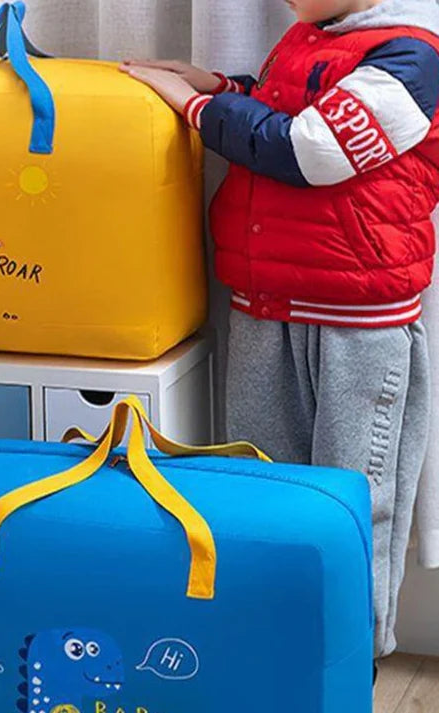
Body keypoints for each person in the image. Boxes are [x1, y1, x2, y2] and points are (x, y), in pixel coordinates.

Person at [121, 0, 439, 662]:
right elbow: (290, 110)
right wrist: (221, 86)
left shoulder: (411, 57)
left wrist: (196, 107)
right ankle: (273, 651)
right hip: (266, 302)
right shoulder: (308, 38)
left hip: (358, 323)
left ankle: (349, 660)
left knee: (352, 501)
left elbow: (309, 149)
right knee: (260, 486)